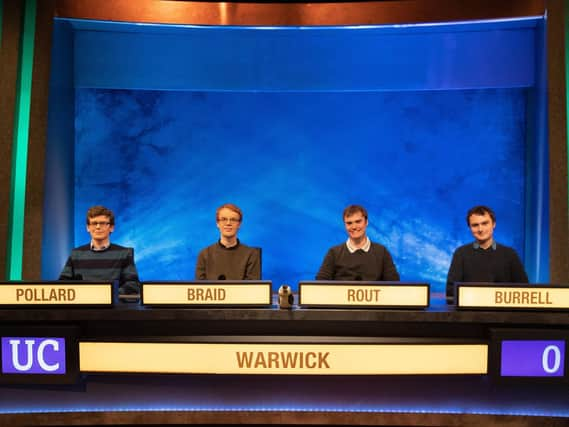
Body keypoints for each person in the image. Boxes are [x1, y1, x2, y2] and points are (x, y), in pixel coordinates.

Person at [446, 205, 528, 301]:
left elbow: (524, 291)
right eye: (475, 225)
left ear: (493, 224)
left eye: (485, 223)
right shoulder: (461, 253)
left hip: (503, 314)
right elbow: (451, 291)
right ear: (470, 228)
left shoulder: (510, 254)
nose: (480, 229)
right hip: (469, 313)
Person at [59, 205, 140, 295]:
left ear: (111, 228)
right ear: (88, 228)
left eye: (103, 223)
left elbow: (133, 285)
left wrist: (107, 296)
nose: (98, 227)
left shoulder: (125, 254)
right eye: (94, 223)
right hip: (83, 306)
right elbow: (63, 285)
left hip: (114, 308)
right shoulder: (76, 254)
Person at [316, 205, 400, 281]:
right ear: (345, 225)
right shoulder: (333, 253)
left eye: (358, 221)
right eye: (349, 223)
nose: (354, 227)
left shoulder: (382, 252)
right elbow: (320, 284)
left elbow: (393, 285)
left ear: (366, 222)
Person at [195, 203, 261, 280]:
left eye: (233, 219)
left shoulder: (251, 255)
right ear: (217, 223)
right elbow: (200, 287)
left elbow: (252, 289)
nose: (228, 223)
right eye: (224, 219)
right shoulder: (204, 254)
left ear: (239, 224)